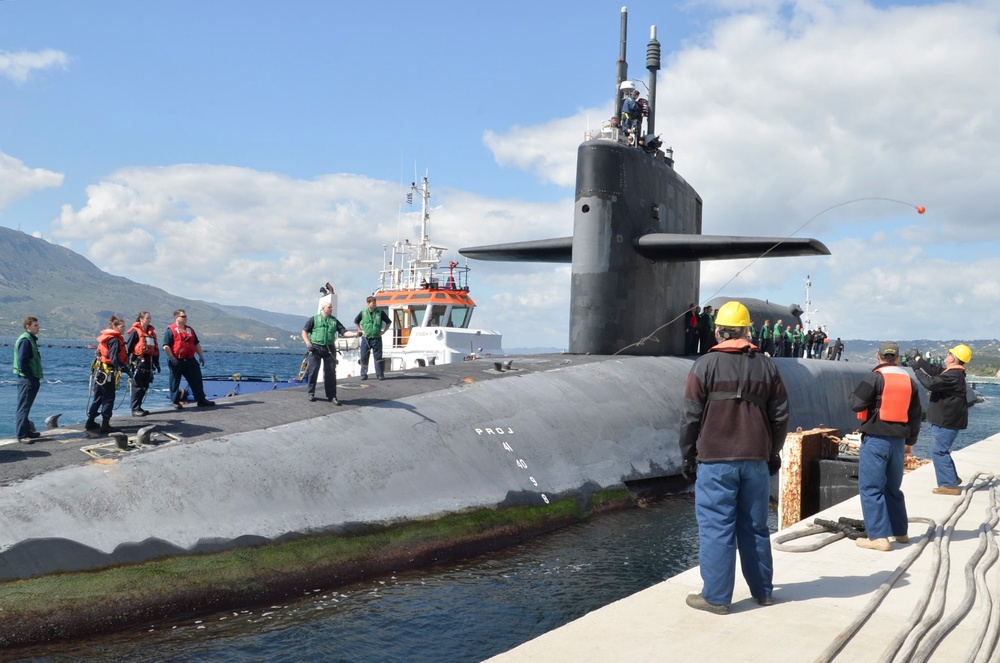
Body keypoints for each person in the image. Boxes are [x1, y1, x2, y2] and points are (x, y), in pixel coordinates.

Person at [679, 301, 790, 614]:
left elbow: (690, 417)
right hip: (755, 459)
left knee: (717, 528)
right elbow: (780, 415)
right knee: (755, 527)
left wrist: (687, 455)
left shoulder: (704, 365)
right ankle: (764, 592)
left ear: (717, 331)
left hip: (716, 461)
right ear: (747, 331)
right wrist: (772, 452)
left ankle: (716, 597)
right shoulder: (767, 366)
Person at [850, 341, 922, 551]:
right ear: (898, 358)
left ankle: (878, 537)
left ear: (878, 356)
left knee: (871, 488)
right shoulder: (910, 381)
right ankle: (901, 532)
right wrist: (910, 442)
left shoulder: (875, 377)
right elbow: (915, 416)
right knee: (893, 488)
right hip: (898, 441)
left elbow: (855, 403)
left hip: (875, 440)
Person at [908, 344, 972, 496]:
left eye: (949, 353)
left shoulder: (953, 376)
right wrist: (918, 359)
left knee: (939, 451)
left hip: (946, 421)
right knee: (941, 450)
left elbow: (930, 383)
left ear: (953, 358)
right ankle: (952, 478)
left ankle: (949, 485)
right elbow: (935, 371)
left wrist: (916, 369)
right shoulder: (954, 373)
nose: (946, 355)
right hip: (948, 420)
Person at [302, 301, 359, 404]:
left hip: (329, 348)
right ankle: (311, 393)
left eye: (331, 307)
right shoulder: (313, 319)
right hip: (316, 347)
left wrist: (355, 334)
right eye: (329, 307)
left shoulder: (334, 321)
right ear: (323, 308)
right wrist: (308, 343)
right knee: (313, 371)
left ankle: (332, 396)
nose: (331, 309)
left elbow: (344, 332)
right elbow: (304, 332)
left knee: (331, 373)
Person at [85, 316, 132, 434]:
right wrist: (127, 370)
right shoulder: (115, 340)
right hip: (107, 373)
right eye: (122, 327)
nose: (124, 329)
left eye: (124, 326)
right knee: (108, 399)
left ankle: (90, 422)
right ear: (114, 327)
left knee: (98, 398)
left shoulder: (106, 339)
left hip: (100, 373)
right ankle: (105, 424)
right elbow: (114, 358)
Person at [161, 309, 214, 410]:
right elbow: (165, 346)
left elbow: (196, 343)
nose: (186, 318)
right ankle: (175, 401)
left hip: (189, 359)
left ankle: (201, 400)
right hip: (176, 360)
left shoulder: (190, 330)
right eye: (183, 316)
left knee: (197, 379)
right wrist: (171, 358)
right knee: (175, 381)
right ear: (177, 318)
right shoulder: (170, 330)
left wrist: (201, 356)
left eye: (186, 316)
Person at [13, 316, 43, 444]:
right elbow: (22, 361)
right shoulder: (26, 340)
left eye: (37, 325)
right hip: (27, 379)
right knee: (23, 407)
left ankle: (27, 430)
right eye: (35, 325)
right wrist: (30, 377)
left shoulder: (30, 340)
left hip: (30, 378)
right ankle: (21, 435)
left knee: (26, 406)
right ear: (28, 327)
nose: (38, 327)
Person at [124, 311, 160, 417]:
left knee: (145, 386)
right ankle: (135, 409)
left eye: (150, 318)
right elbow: (129, 349)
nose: (149, 320)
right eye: (147, 318)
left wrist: (157, 364)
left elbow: (155, 350)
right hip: (139, 362)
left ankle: (138, 406)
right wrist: (128, 364)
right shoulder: (135, 332)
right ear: (141, 319)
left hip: (149, 363)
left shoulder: (152, 334)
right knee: (137, 386)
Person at [355, 296, 392, 381]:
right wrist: (360, 330)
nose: (375, 304)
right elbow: (356, 321)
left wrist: (384, 331)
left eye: (375, 302)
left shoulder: (380, 312)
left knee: (378, 357)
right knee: (364, 357)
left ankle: (380, 374)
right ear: (368, 303)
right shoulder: (363, 312)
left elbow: (388, 322)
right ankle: (364, 374)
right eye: (373, 302)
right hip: (366, 338)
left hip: (376, 338)